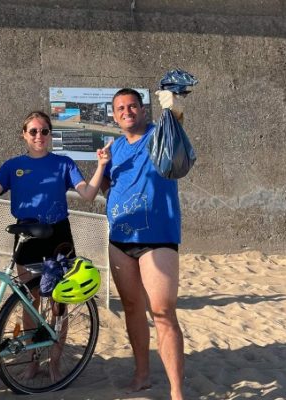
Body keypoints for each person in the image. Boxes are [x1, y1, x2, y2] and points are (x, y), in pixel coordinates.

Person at [0, 111, 110, 382]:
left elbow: (89, 194)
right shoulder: (13, 165)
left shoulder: (63, 163)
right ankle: (33, 361)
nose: (39, 136)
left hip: (58, 235)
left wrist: (101, 165)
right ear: (24, 134)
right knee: (28, 300)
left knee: (60, 300)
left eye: (44, 131)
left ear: (50, 135)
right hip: (27, 235)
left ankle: (55, 363)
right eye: (33, 131)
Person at [98, 88, 186, 399]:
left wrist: (175, 109)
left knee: (162, 311)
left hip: (157, 238)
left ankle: (177, 391)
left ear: (143, 109)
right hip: (120, 238)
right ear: (114, 114)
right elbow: (107, 183)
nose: (126, 111)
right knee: (132, 308)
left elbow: (175, 125)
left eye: (132, 106)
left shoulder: (158, 135)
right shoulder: (116, 147)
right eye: (120, 108)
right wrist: (105, 173)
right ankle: (142, 375)